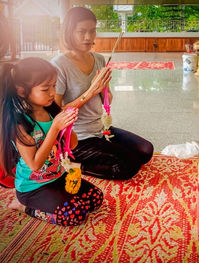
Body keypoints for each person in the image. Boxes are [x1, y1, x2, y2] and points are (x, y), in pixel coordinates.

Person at [51, 7, 153, 180]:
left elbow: (108, 100)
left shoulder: (99, 59)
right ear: (69, 32)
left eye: (92, 31)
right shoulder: (59, 65)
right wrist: (91, 90)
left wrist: (104, 87)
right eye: (81, 32)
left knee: (145, 151)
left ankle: (98, 153)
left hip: (100, 129)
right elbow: (56, 113)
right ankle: (74, 165)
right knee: (129, 165)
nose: (88, 37)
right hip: (77, 137)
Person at [0, 57, 103, 226]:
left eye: (54, 86)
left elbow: (72, 145)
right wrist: (54, 128)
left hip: (57, 176)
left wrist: (68, 125)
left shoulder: (52, 111)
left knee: (96, 197)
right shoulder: (20, 124)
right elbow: (35, 165)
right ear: (22, 91)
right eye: (46, 89)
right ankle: (24, 207)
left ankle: (56, 198)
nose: (53, 93)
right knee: (74, 215)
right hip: (33, 188)